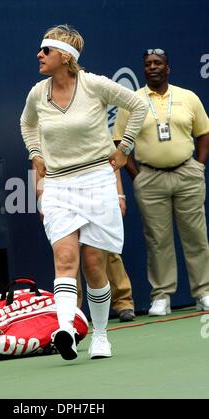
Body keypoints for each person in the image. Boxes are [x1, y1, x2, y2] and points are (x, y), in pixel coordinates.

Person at [20, 24, 147, 361]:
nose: (39, 55)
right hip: (59, 185)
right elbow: (27, 123)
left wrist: (124, 148)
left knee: (93, 265)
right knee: (64, 260)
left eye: (45, 51)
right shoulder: (37, 93)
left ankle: (102, 336)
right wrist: (35, 154)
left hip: (97, 180)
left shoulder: (94, 85)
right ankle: (65, 330)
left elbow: (138, 106)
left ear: (65, 56)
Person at [113, 48, 209, 316]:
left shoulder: (187, 97)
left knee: (196, 236)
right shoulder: (132, 101)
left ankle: (204, 292)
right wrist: (136, 174)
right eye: (147, 64)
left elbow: (204, 132)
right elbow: (120, 142)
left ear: (168, 68)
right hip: (150, 177)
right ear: (143, 70)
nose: (152, 67)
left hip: (186, 173)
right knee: (158, 239)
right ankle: (162, 296)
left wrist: (198, 166)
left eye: (158, 63)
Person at [76, 170, 136, 322]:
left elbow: (113, 160)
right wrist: (40, 198)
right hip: (63, 191)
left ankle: (124, 302)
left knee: (106, 248)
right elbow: (37, 163)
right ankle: (73, 312)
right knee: (69, 254)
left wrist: (119, 194)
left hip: (97, 187)